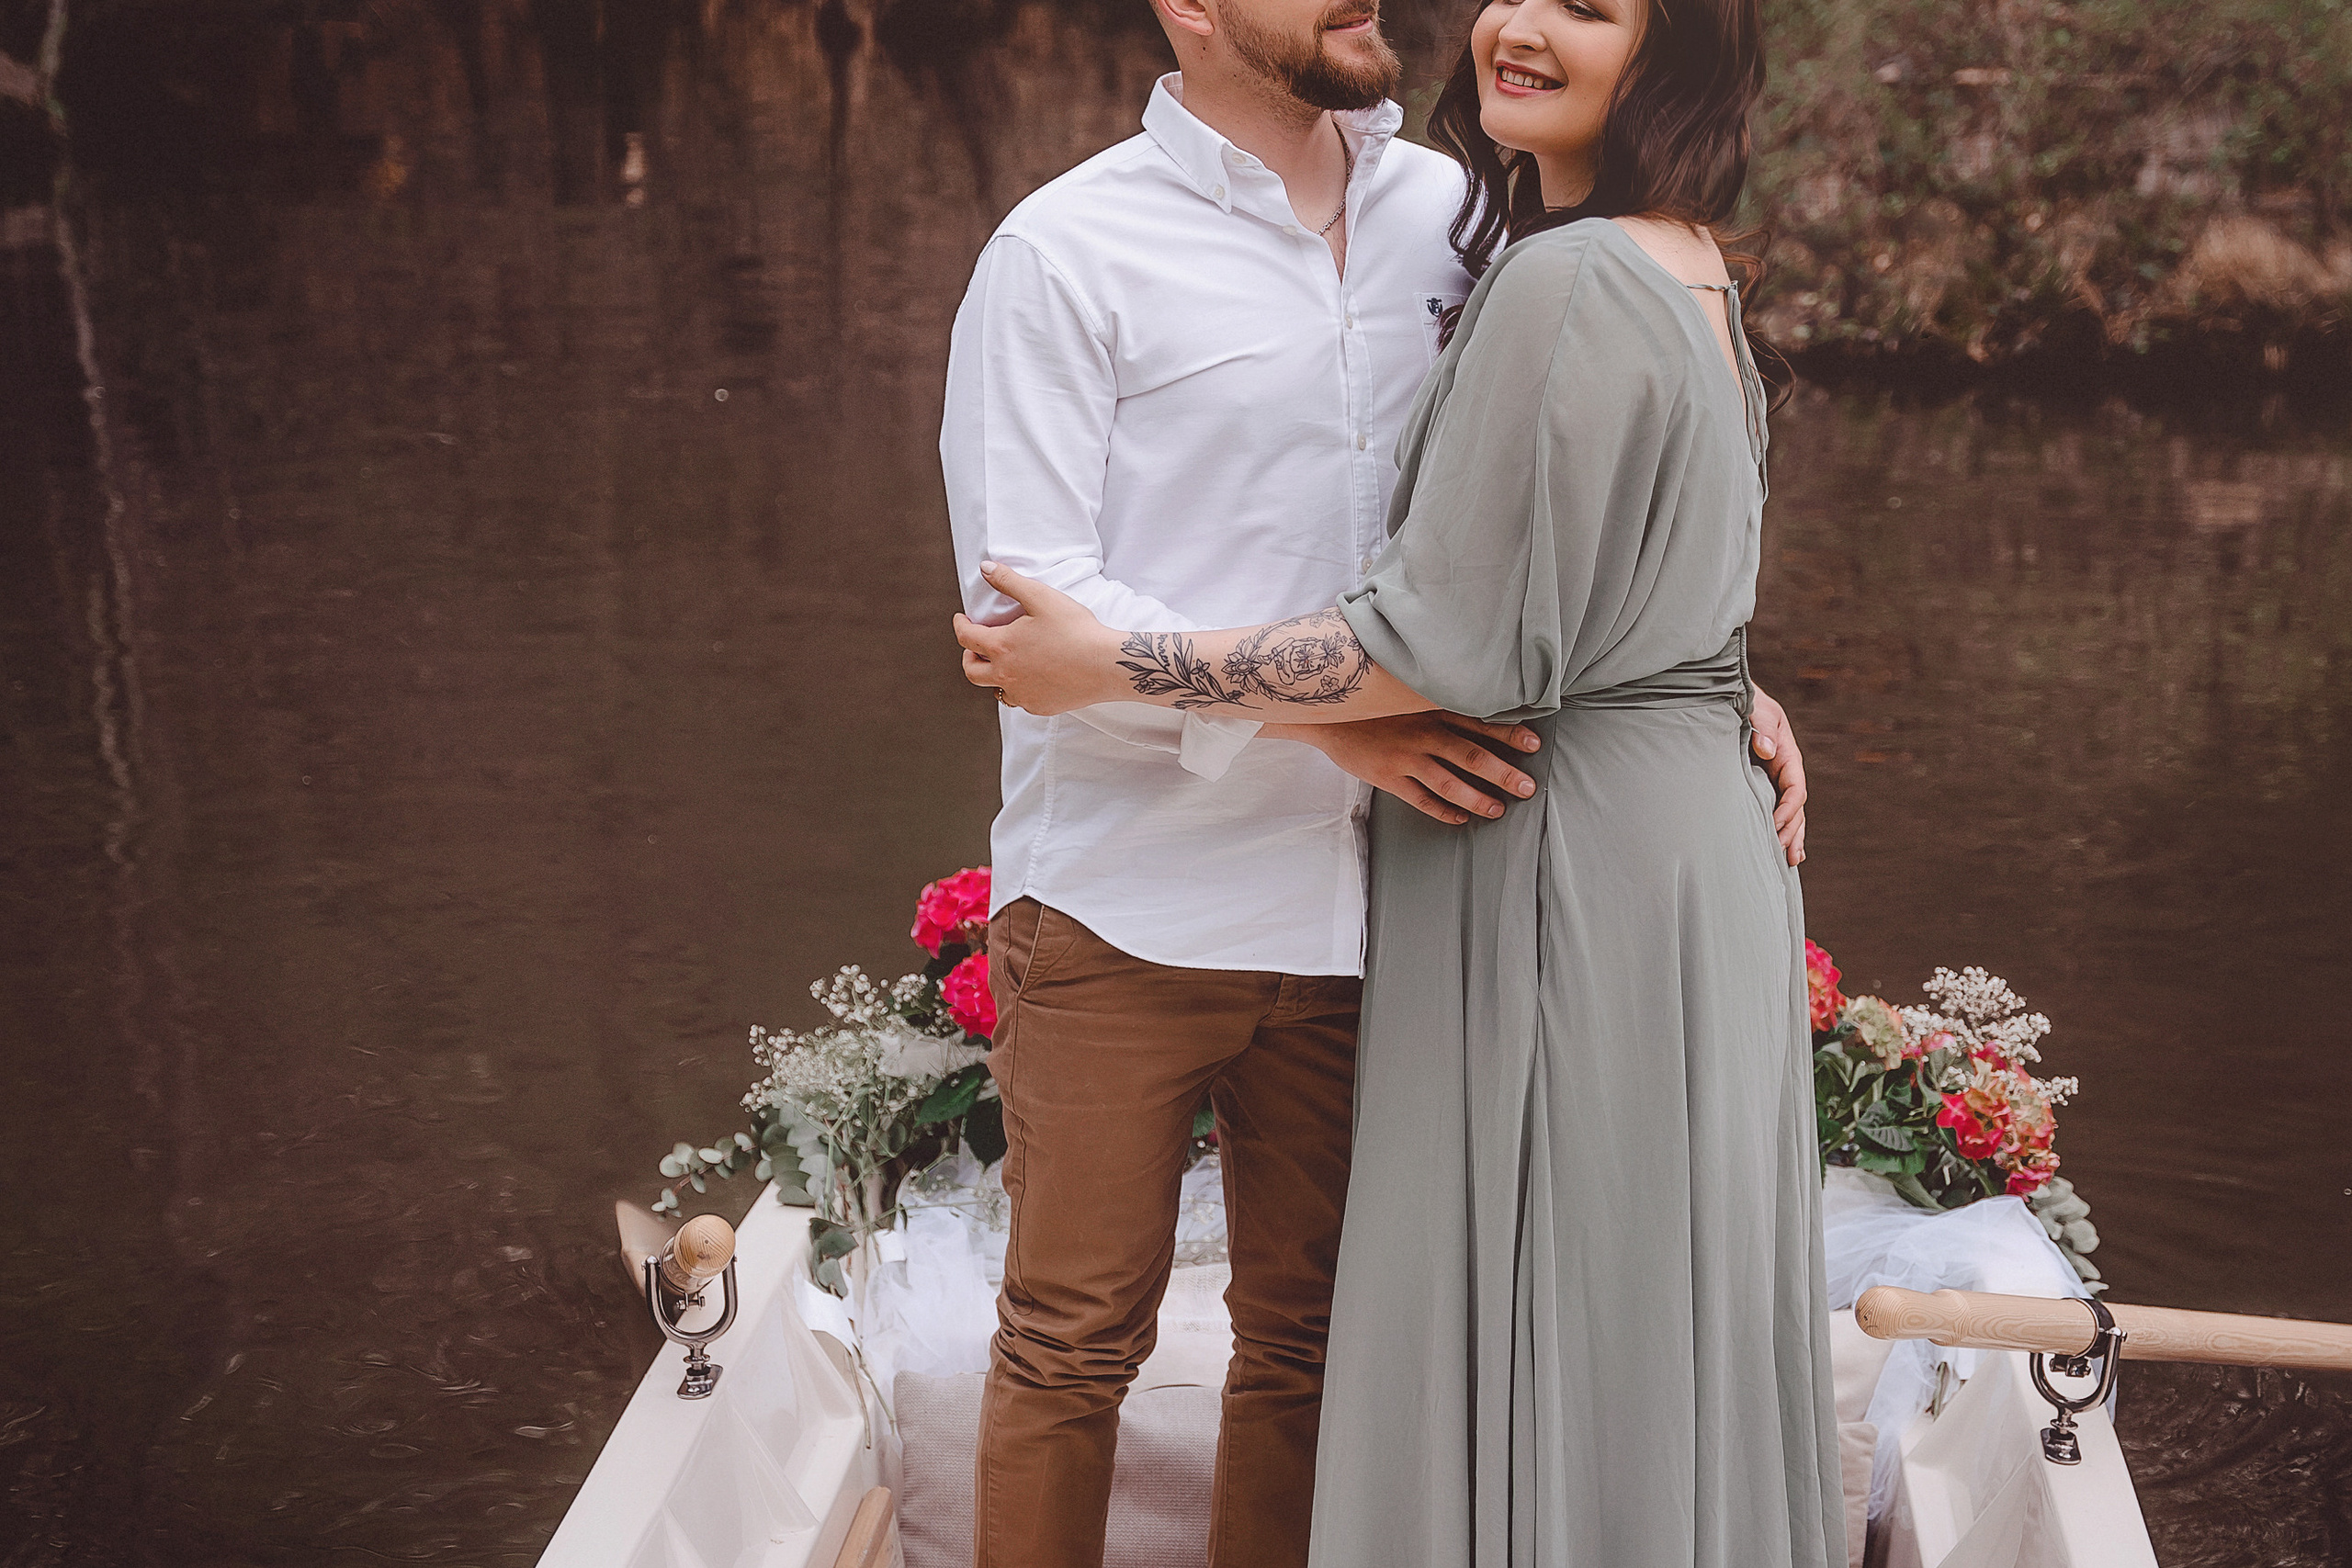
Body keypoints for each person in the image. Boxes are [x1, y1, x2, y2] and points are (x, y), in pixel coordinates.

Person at [952, 0, 1845, 1558]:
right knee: (1070, 1343)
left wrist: (1698, 663)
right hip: (1136, 886)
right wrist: (1336, 725)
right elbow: (1036, 610)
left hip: (1383, 902)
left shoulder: (1465, 213)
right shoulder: (1062, 251)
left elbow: (1571, 497)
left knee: (1313, 1350)